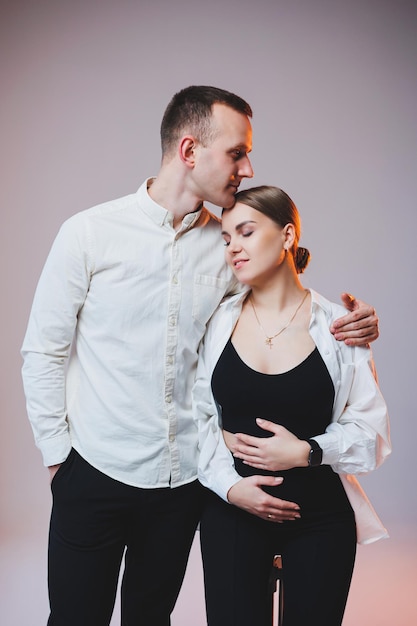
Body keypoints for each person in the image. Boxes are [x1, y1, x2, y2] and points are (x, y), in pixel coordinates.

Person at [21, 86, 379, 625]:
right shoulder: (88, 234)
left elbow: (279, 303)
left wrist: (353, 320)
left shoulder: (226, 244)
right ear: (190, 151)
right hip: (92, 470)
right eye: (237, 152)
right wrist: (58, 463)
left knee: (151, 619)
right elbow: (43, 351)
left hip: (181, 484)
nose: (248, 166)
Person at [194, 185, 391, 626]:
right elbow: (195, 419)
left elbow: (369, 434)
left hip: (320, 519)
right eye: (226, 239)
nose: (234, 248)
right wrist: (230, 487)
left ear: (287, 236)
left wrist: (306, 451)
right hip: (233, 512)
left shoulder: (339, 328)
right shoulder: (214, 321)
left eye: (245, 232)